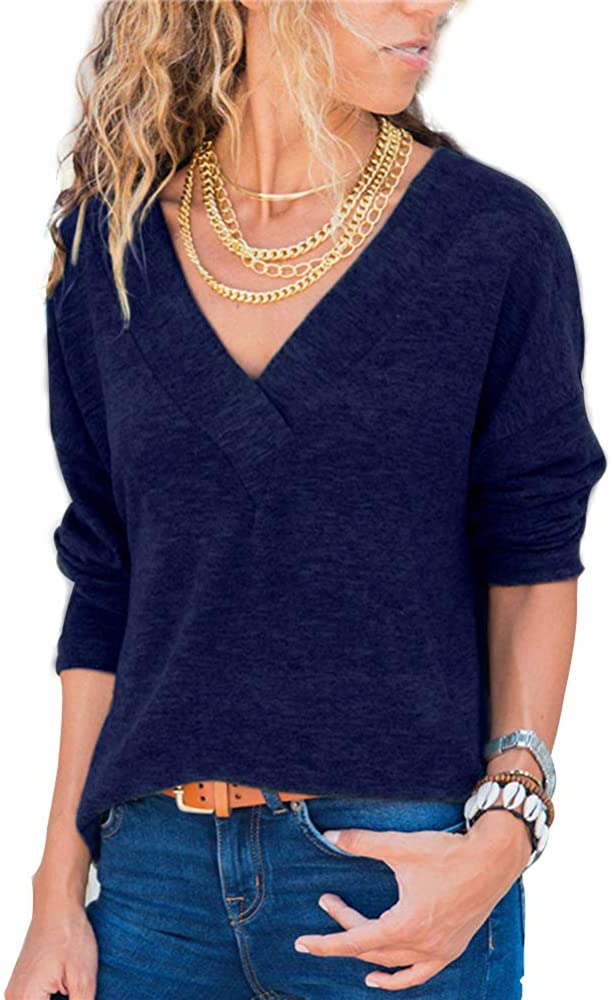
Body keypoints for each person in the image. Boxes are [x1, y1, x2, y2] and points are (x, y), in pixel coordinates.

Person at [5, 1, 607, 998]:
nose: (435, 5)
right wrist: (55, 895)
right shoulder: (109, 247)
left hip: (400, 881)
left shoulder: (492, 240)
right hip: (152, 892)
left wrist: (504, 835)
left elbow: (533, 553)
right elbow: (107, 581)